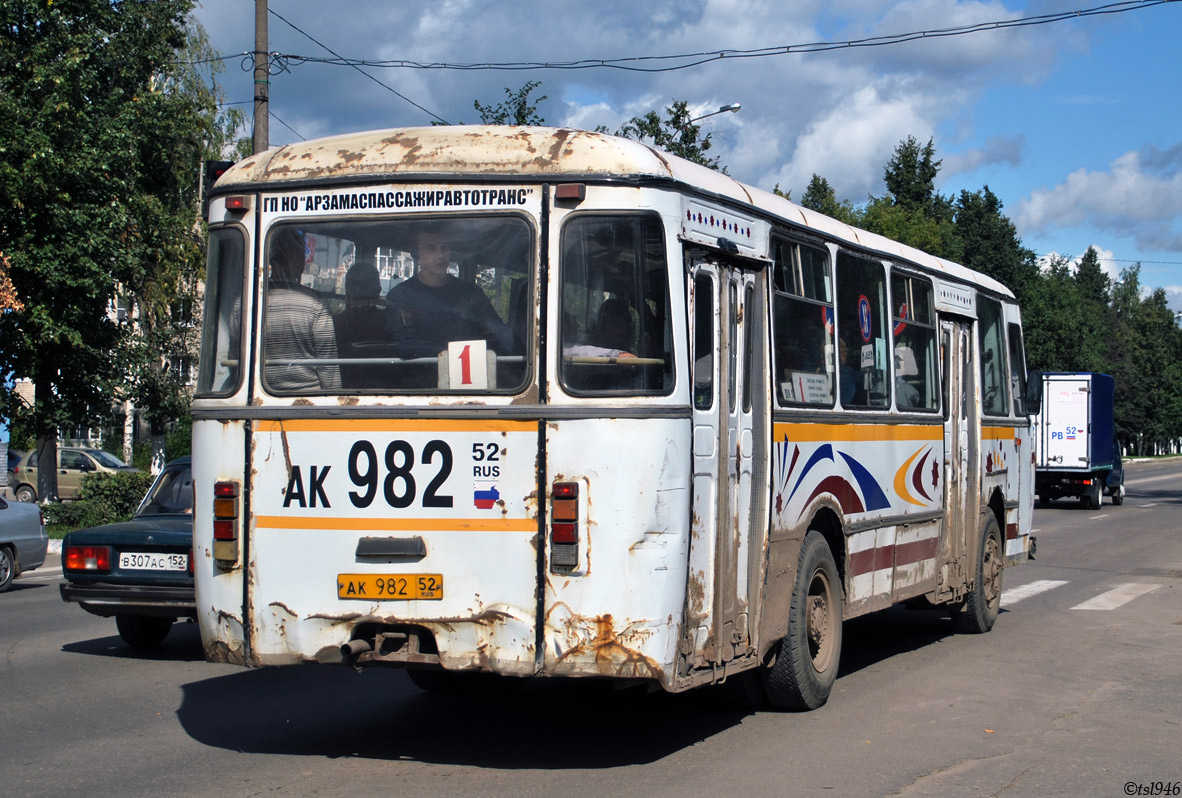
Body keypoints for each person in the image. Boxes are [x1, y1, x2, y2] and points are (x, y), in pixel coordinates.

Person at [385, 223, 513, 360]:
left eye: (445, 248)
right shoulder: (401, 296)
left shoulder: (471, 294)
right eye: (431, 249)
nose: (440, 255)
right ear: (416, 254)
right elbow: (404, 345)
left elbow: (499, 335)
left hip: (472, 373)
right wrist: (453, 355)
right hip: (418, 375)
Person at [262, 228, 341, 391]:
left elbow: (235, 359)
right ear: (297, 260)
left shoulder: (246, 304)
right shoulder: (315, 304)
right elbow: (328, 368)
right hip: (309, 401)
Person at [334, 262, 393, 389]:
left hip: (345, 388)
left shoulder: (336, 324)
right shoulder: (391, 321)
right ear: (378, 289)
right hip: (388, 386)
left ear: (348, 290)